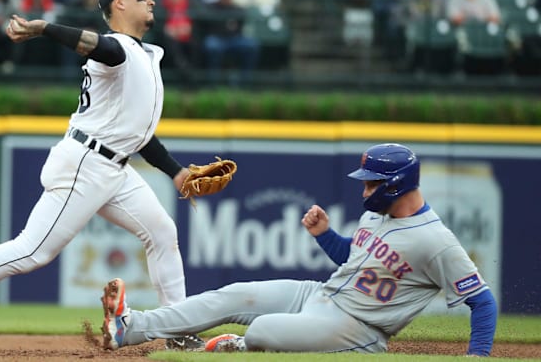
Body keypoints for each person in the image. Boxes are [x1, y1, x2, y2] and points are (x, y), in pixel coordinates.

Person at [0, 0, 205, 351]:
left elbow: (138, 135)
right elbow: (98, 47)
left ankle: (176, 329)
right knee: (32, 250)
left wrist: (176, 172)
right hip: (86, 163)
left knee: (162, 232)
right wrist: (45, 27)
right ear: (119, 3)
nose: (152, 1)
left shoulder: (143, 53)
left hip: (115, 166)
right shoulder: (117, 49)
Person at [100, 143, 497, 356]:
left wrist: (477, 356)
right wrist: (325, 235)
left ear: (397, 184)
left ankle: (238, 348)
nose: (365, 190)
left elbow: (483, 302)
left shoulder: (436, 240)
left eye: (372, 183)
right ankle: (129, 328)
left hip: (358, 328)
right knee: (232, 295)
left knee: (263, 330)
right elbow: (353, 260)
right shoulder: (378, 216)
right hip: (320, 294)